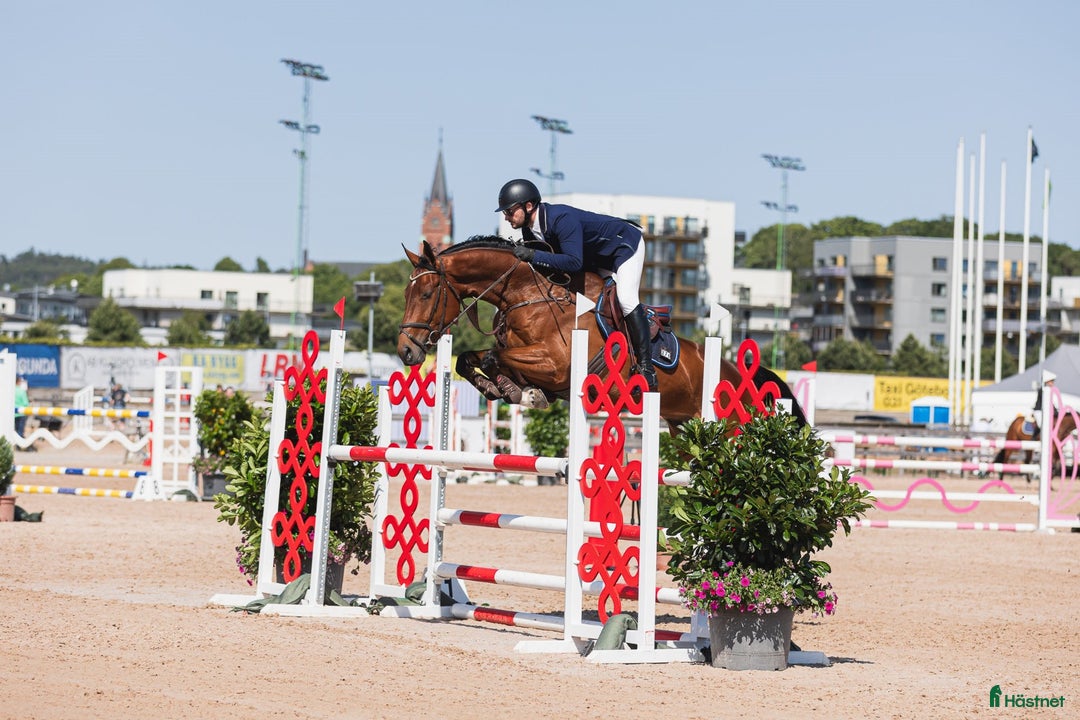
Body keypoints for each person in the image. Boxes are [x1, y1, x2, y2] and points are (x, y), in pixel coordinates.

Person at [496, 178, 657, 391]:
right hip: (594, 258)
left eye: (509, 211)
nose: (506, 217)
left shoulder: (561, 219)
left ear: (528, 206)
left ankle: (646, 368)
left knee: (626, 299)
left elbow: (573, 262)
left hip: (623, 247)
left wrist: (533, 255)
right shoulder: (529, 230)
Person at [1030, 371, 1056, 440]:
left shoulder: (1048, 390)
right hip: (1039, 411)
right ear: (1047, 382)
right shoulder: (1042, 390)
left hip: (1045, 411)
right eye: (1051, 382)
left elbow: (1051, 403)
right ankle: (1034, 438)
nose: (1052, 383)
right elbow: (1047, 403)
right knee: (1042, 425)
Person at [14, 375, 30, 440]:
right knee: (20, 430)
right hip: (21, 413)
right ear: (18, 382)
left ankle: (16, 442)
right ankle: (19, 443)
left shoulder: (10, 390)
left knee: (16, 429)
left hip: (13, 413)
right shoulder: (21, 391)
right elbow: (26, 403)